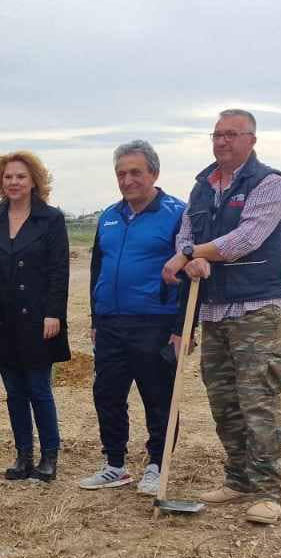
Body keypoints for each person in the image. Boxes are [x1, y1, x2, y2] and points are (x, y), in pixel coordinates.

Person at [161, 109, 281, 525]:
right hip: (214, 307)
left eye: (232, 134)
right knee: (223, 399)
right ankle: (237, 479)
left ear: (252, 140)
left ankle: (268, 489)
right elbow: (186, 232)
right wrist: (191, 257)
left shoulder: (270, 183)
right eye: (217, 134)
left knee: (258, 399)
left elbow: (246, 239)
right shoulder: (202, 187)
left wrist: (191, 255)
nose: (222, 142)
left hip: (256, 305)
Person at [78, 141, 186, 494]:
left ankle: (157, 464)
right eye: (121, 174)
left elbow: (190, 273)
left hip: (156, 321)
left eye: (135, 172)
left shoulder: (177, 214)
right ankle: (114, 464)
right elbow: (98, 267)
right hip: (111, 323)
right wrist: (96, 317)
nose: (127, 180)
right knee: (107, 394)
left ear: (153, 173)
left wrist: (182, 326)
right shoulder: (109, 216)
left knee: (158, 396)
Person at [0, 151, 70, 482]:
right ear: (1, 182)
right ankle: (23, 455)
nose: (14, 182)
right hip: (1, 319)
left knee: (39, 388)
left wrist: (54, 313)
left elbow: (59, 271)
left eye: (21, 177)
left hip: (38, 318)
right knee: (14, 391)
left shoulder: (51, 219)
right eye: (8, 177)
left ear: (34, 182)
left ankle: (49, 457)